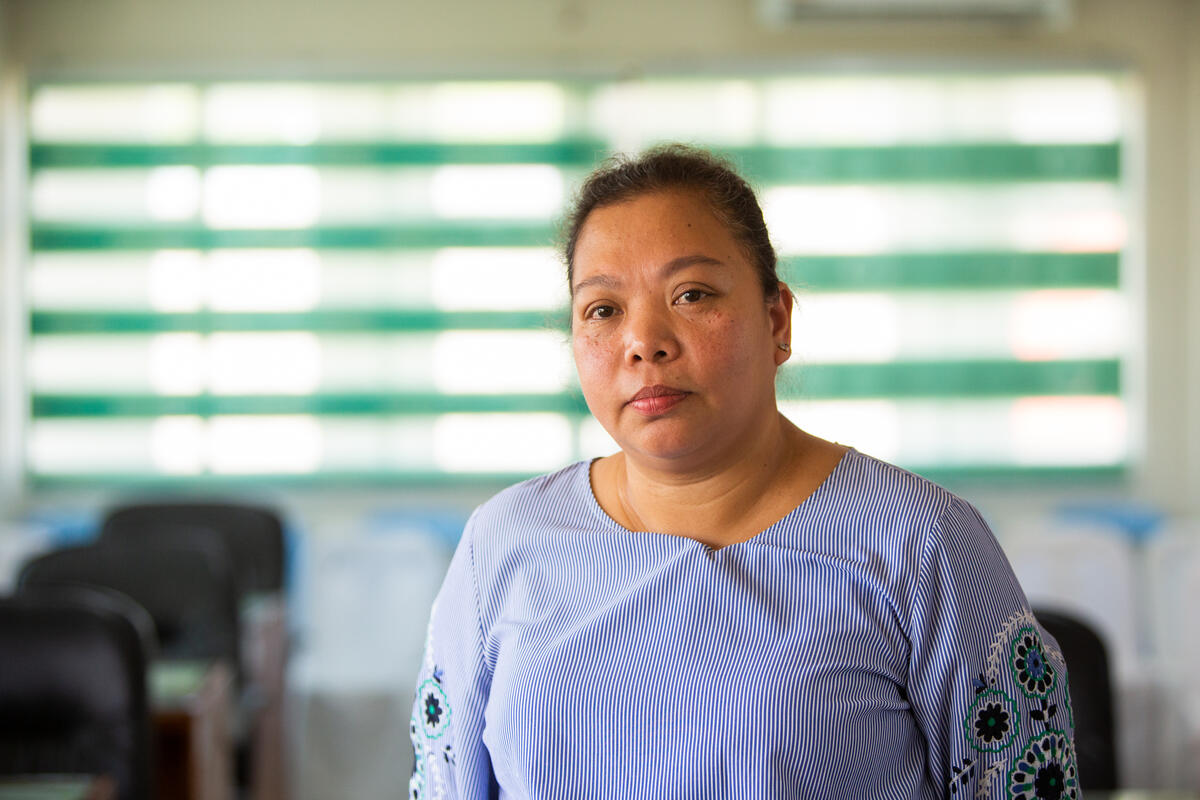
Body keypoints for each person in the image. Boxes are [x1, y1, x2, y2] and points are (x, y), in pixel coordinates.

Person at [409, 145, 1078, 799]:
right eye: (603, 309)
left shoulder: (921, 542)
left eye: (692, 294)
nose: (645, 341)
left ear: (776, 317)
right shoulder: (501, 544)